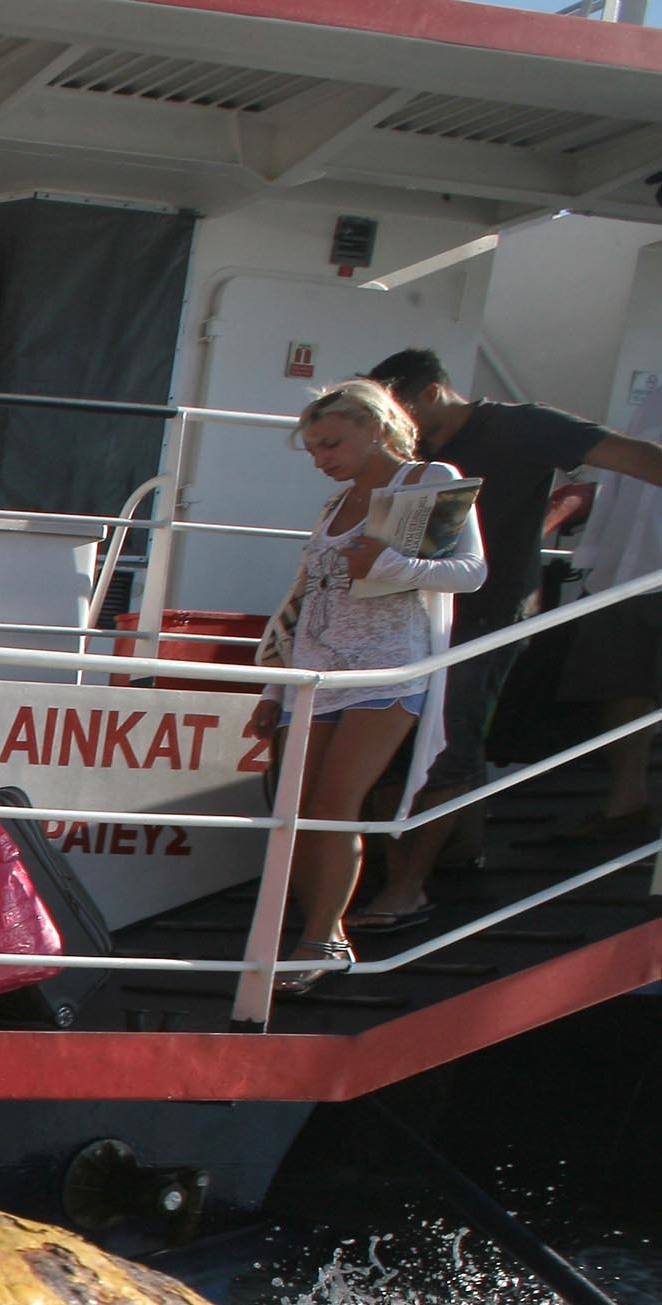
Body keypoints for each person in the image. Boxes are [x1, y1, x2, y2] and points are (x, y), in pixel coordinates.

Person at [355, 349, 662, 925]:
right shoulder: (409, 445)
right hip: (404, 620)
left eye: (400, 413)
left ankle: (406, 889)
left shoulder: (524, 427)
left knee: (446, 751)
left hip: (486, 620)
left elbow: (634, 457)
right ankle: (458, 851)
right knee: (402, 753)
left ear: (431, 394)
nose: (400, 431)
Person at [247, 379, 484, 992]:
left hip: (385, 668)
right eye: (314, 450)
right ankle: (314, 934)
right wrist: (273, 689)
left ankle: (319, 938)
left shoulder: (427, 479)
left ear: (376, 428)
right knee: (296, 812)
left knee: (332, 807)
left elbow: (471, 571)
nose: (322, 459)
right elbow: (303, 596)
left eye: (331, 444)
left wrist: (390, 565)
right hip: (316, 669)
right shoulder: (333, 505)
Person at [562, 375, 662, 841]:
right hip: (628, 568)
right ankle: (626, 806)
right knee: (622, 684)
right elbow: (621, 481)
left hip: (641, 566)